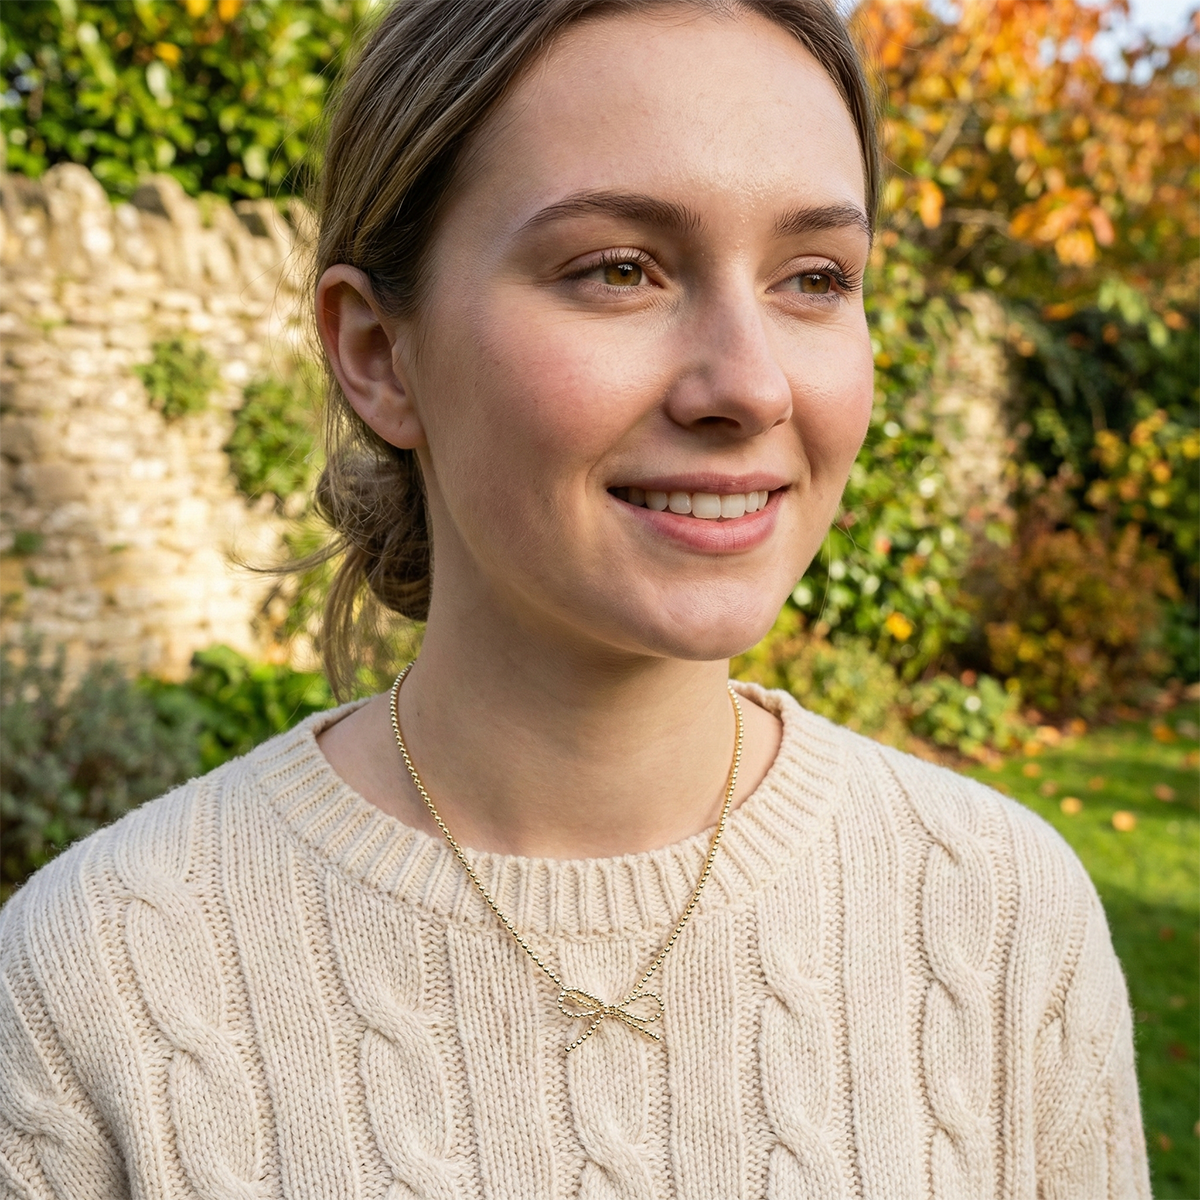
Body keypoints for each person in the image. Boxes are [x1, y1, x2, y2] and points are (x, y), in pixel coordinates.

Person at [0, 0, 1150, 1195]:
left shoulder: (1000, 919)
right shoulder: (101, 991)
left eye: (815, 277)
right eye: (618, 269)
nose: (749, 386)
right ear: (379, 354)